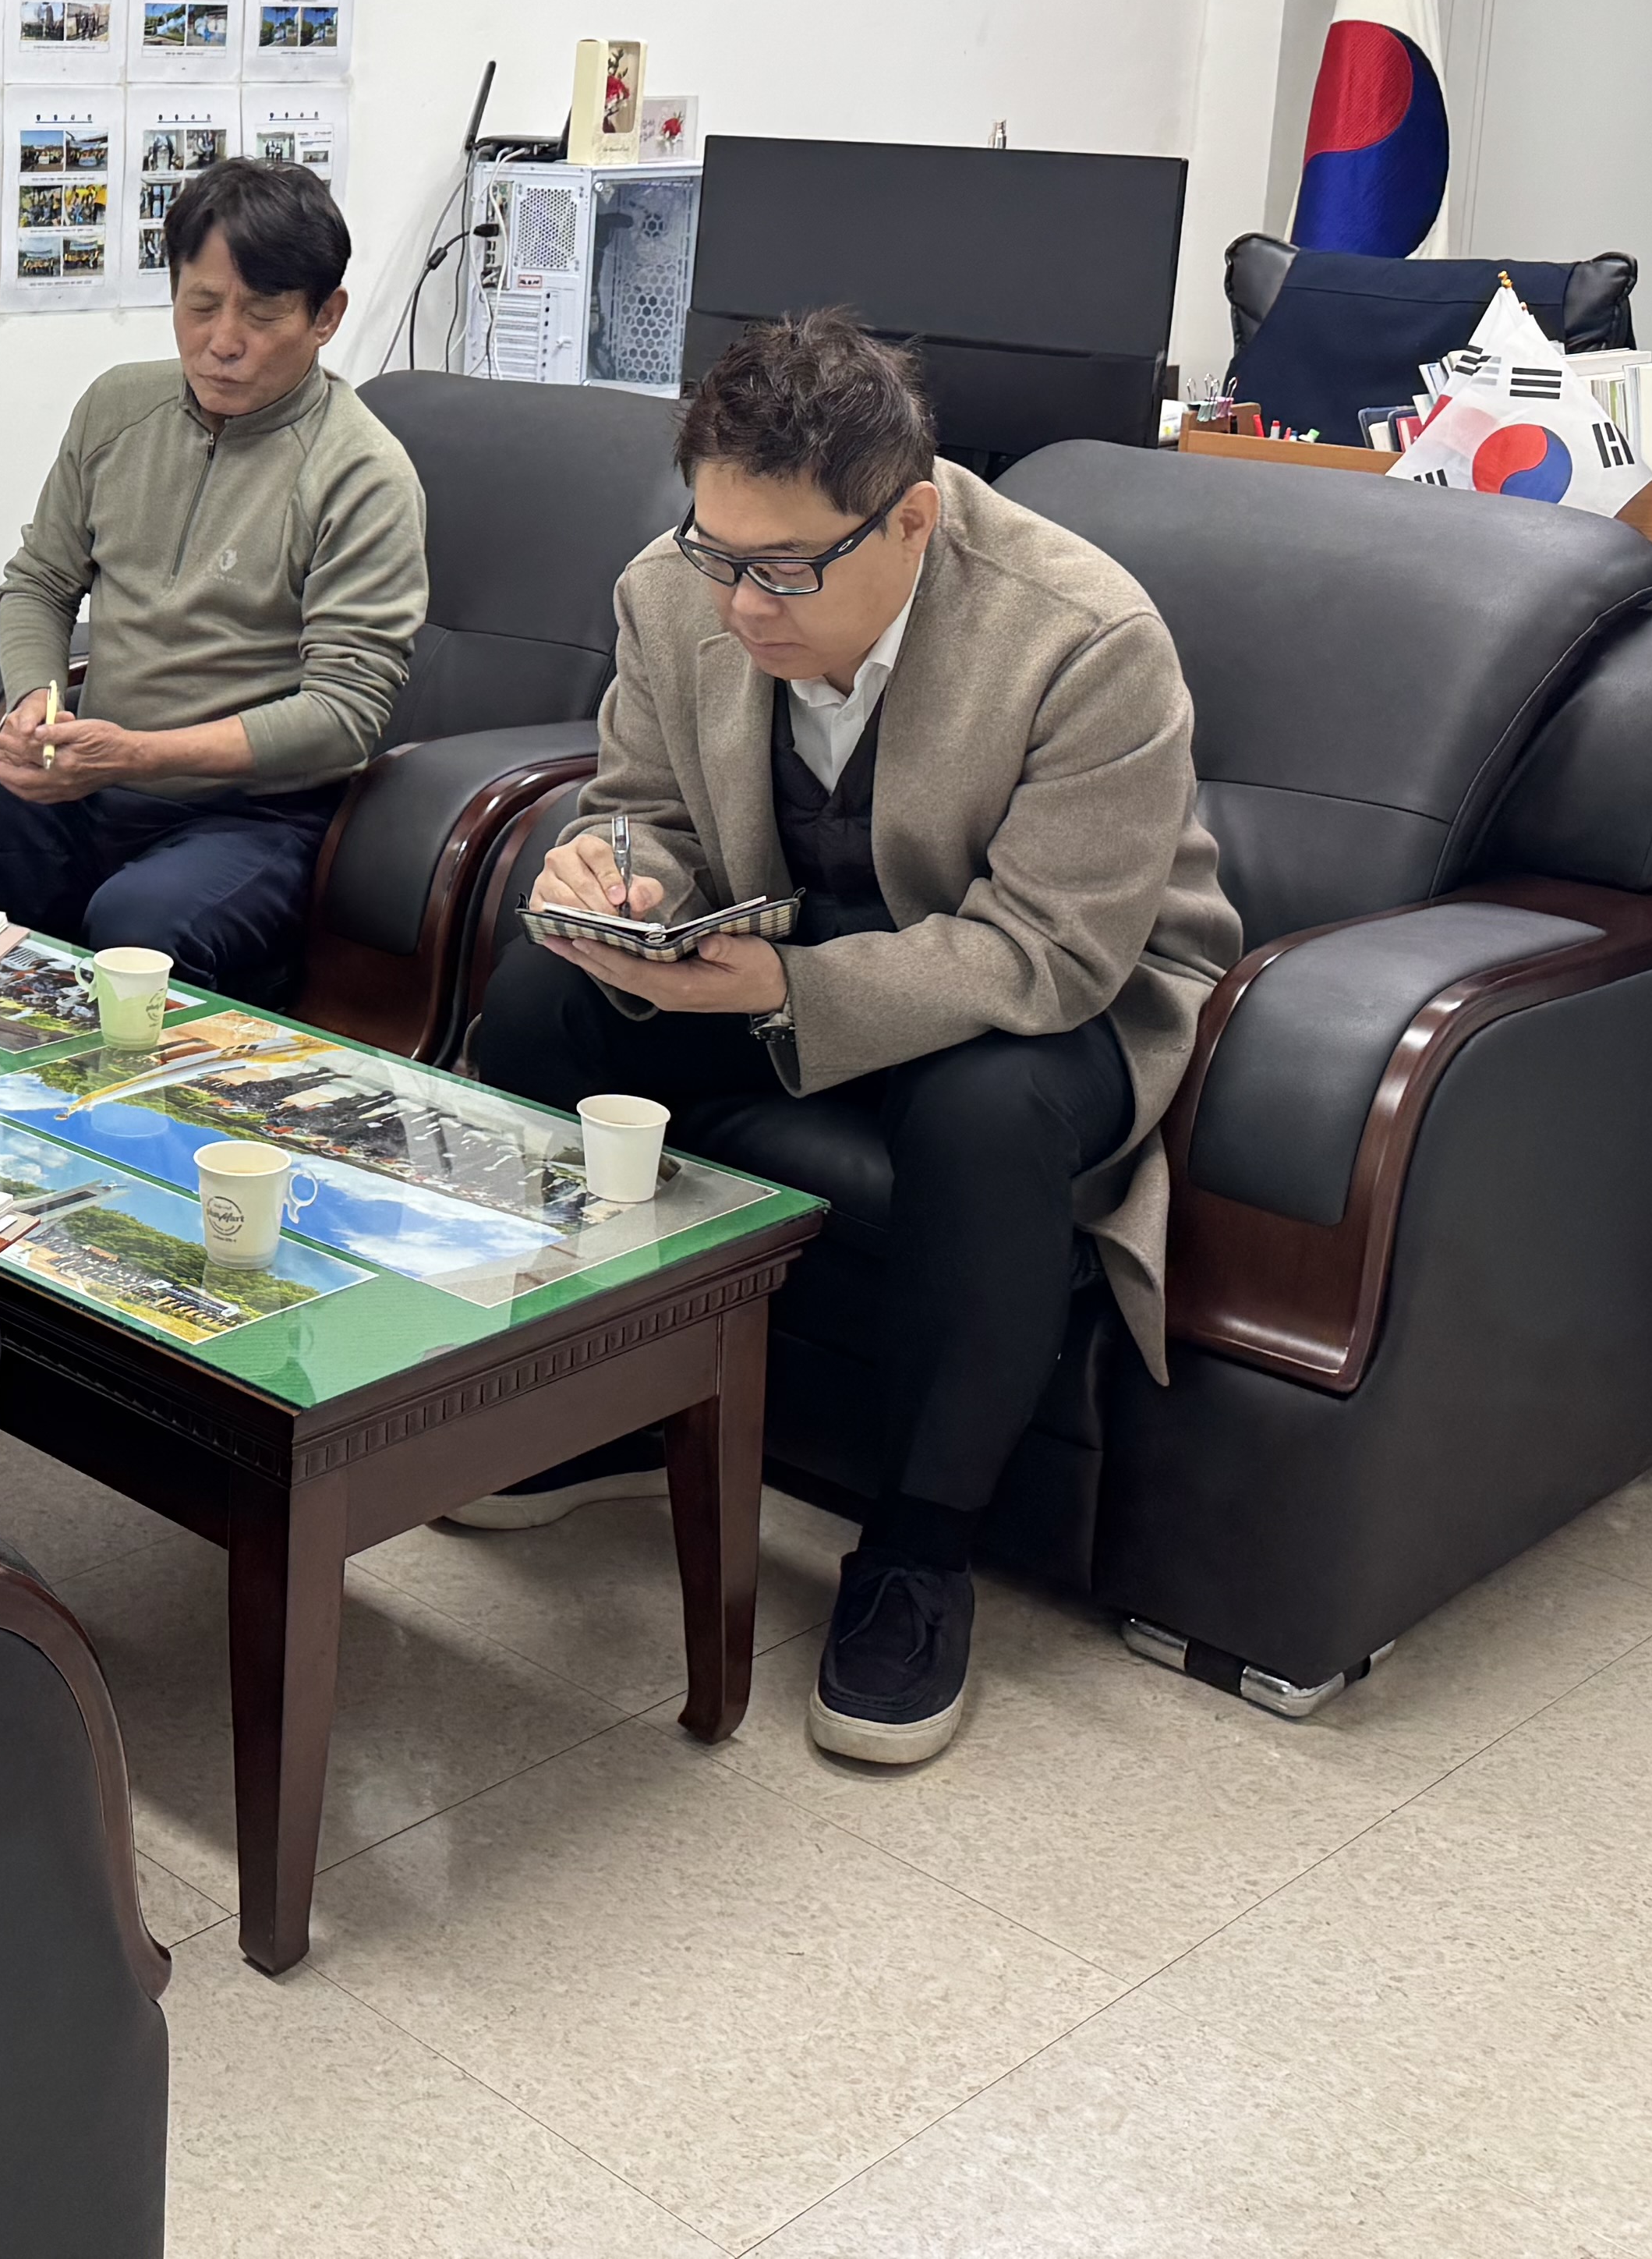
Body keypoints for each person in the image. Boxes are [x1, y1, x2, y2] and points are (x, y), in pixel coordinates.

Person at [456, 310, 1239, 1771]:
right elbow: (648, 808)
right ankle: (597, 1412)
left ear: (913, 521)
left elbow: (1051, 949)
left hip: (1040, 989)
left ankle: (920, 1552)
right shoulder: (672, 586)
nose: (741, 603)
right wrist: (622, 880)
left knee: (985, 1114)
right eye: (717, 552)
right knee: (544, 1001)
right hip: (785, 940)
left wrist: (778, 991)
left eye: (785, 568)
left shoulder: (1085, 635)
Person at [0, 155, 427, 1003]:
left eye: (263, 314)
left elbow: (344, 717)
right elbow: (41, 582)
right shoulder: (119, 408)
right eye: (200, 305)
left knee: (141, 925)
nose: (223, 341)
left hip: (253, 816)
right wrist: (37, 707)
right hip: (88, 791)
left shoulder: (362, 472)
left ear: (325, 316)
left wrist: (133, 755)